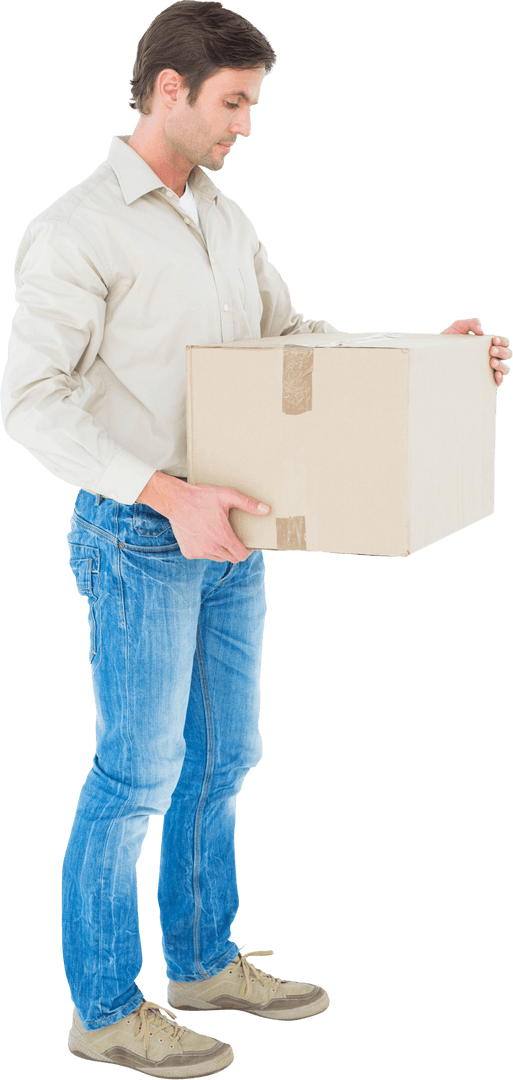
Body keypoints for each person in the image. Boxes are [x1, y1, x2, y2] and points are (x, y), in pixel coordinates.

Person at [1, 3, 510, 1077]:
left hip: (232, 532)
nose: (247, 125)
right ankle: (103, 1012)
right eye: (234, 103)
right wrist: (163, 490)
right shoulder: (76, 229)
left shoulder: (225, 220)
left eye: (252, 104)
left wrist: (430, 356)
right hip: (141, 533)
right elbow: (30, 403)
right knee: (136, 774)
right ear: (170, 90)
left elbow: (291, 345)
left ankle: (201, 965)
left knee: (225, 757)